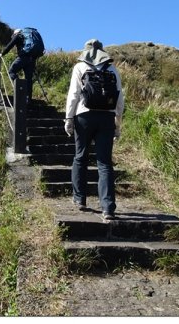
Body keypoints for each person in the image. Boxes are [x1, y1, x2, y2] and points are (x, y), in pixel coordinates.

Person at [64, 39, 124, 221]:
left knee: (80, 156)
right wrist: (117, 123)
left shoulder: (80, 67)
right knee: (104, 163)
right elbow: (120, 99)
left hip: (84, 116)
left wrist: (68, 118)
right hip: (106, 118)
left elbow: (73, 94)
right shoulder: (112, 70)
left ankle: (80, 199)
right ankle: (108, 208)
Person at [0, 28, 43, 102]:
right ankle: (28, 99)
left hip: (24, 56)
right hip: (32, 58)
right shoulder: (29, 36)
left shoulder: (18, 35)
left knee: (11, 71)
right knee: (28, 79)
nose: (13, 36)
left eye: (13, 35)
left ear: (15, 33)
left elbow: (10, 44)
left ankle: (20, 89)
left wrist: (2, 53)